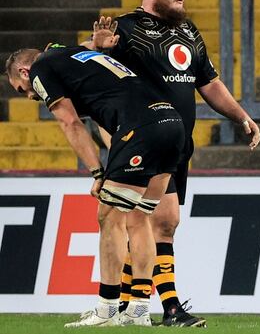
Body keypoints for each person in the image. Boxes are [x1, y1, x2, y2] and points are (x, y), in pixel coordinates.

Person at [90, 0, 260, 327]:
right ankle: (162, 308)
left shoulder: (188, 30)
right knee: (149, 220)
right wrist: (97, 50)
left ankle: (130, 307)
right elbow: (94, 87)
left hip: (176, 144)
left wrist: (241, 117)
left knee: (160, 223)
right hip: (141, 140)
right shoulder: (123, 29)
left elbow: (209, 84)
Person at [5, 44, 184, 326]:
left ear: (25, 72)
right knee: (139, 218)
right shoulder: (73, 55)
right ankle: (138, 310)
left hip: (141, 128)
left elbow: (71, 123)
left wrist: (98, 172)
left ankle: (107, 309)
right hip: (171, 123)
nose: (29, 95)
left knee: (108, 216)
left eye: (22, 88)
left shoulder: (41, 68)